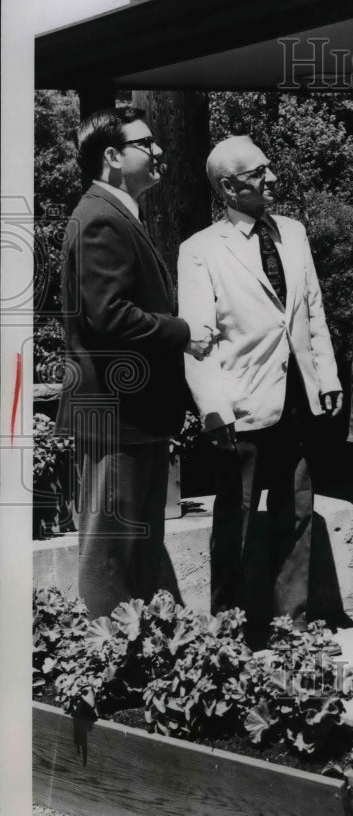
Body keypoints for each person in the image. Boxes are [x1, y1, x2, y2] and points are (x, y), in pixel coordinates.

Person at [177, 135, 343, 636]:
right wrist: (213, 409)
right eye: (257, 173)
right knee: (239, 517)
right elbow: (197, 341)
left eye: (268, 168)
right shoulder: (200, 250)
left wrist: (326, 376)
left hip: (297, 397)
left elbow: (311, 308)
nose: (271, 178)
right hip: (241, 404)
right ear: (229, 187)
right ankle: (229, 632)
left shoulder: (293, 232)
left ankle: (293, 627)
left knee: (297, 510)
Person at [55, 107, 213, 617]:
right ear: (112, 156)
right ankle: (107, 654)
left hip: (133, 416)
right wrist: (182, 332)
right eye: (145, 143)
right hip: (117, 416)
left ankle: (135, 651)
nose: (159, 150)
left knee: (136, 551)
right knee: (112, 556)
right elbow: (110, 317)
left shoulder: (114, 212)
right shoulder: (101, 217)